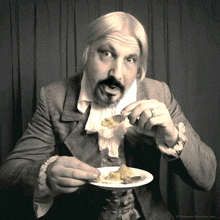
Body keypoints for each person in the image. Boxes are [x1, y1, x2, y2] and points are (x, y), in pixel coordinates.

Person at [0, 11, 217, 220]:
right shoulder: (54, 97)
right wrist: (45, 176)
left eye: (130, 59)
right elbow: (9, 174)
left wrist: (172, 137)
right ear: (87, 54)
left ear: (140, 68)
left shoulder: (159, 94)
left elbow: (207, 178)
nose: (117, 73)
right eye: (107, 53)